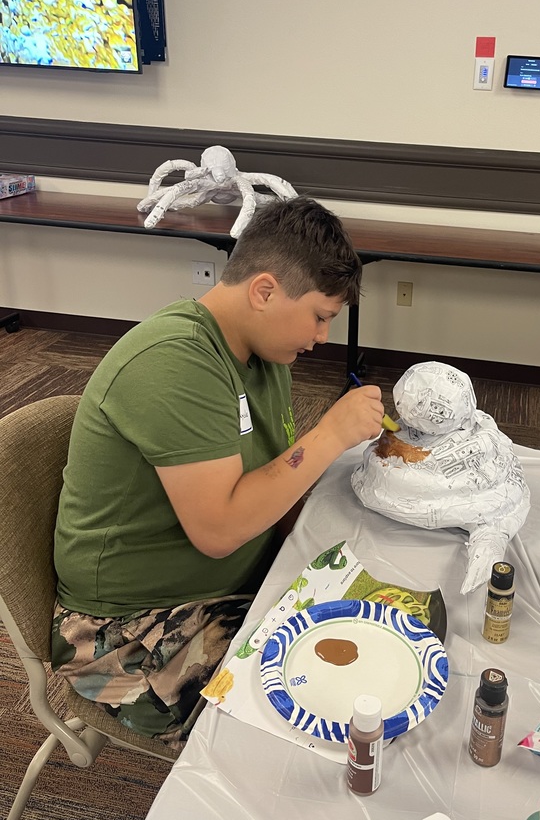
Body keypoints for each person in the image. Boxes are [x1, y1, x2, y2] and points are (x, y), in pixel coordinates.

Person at [51, 196, 384, 746]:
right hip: (126, 633)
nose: (323, 336)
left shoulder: (263, 353)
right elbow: (220, 531)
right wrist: (331, 435)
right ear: (264, 291)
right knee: (322, 720)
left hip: (224, 586)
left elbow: (275, 479)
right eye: (321, 316)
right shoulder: (175, 361)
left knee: (377, 635)